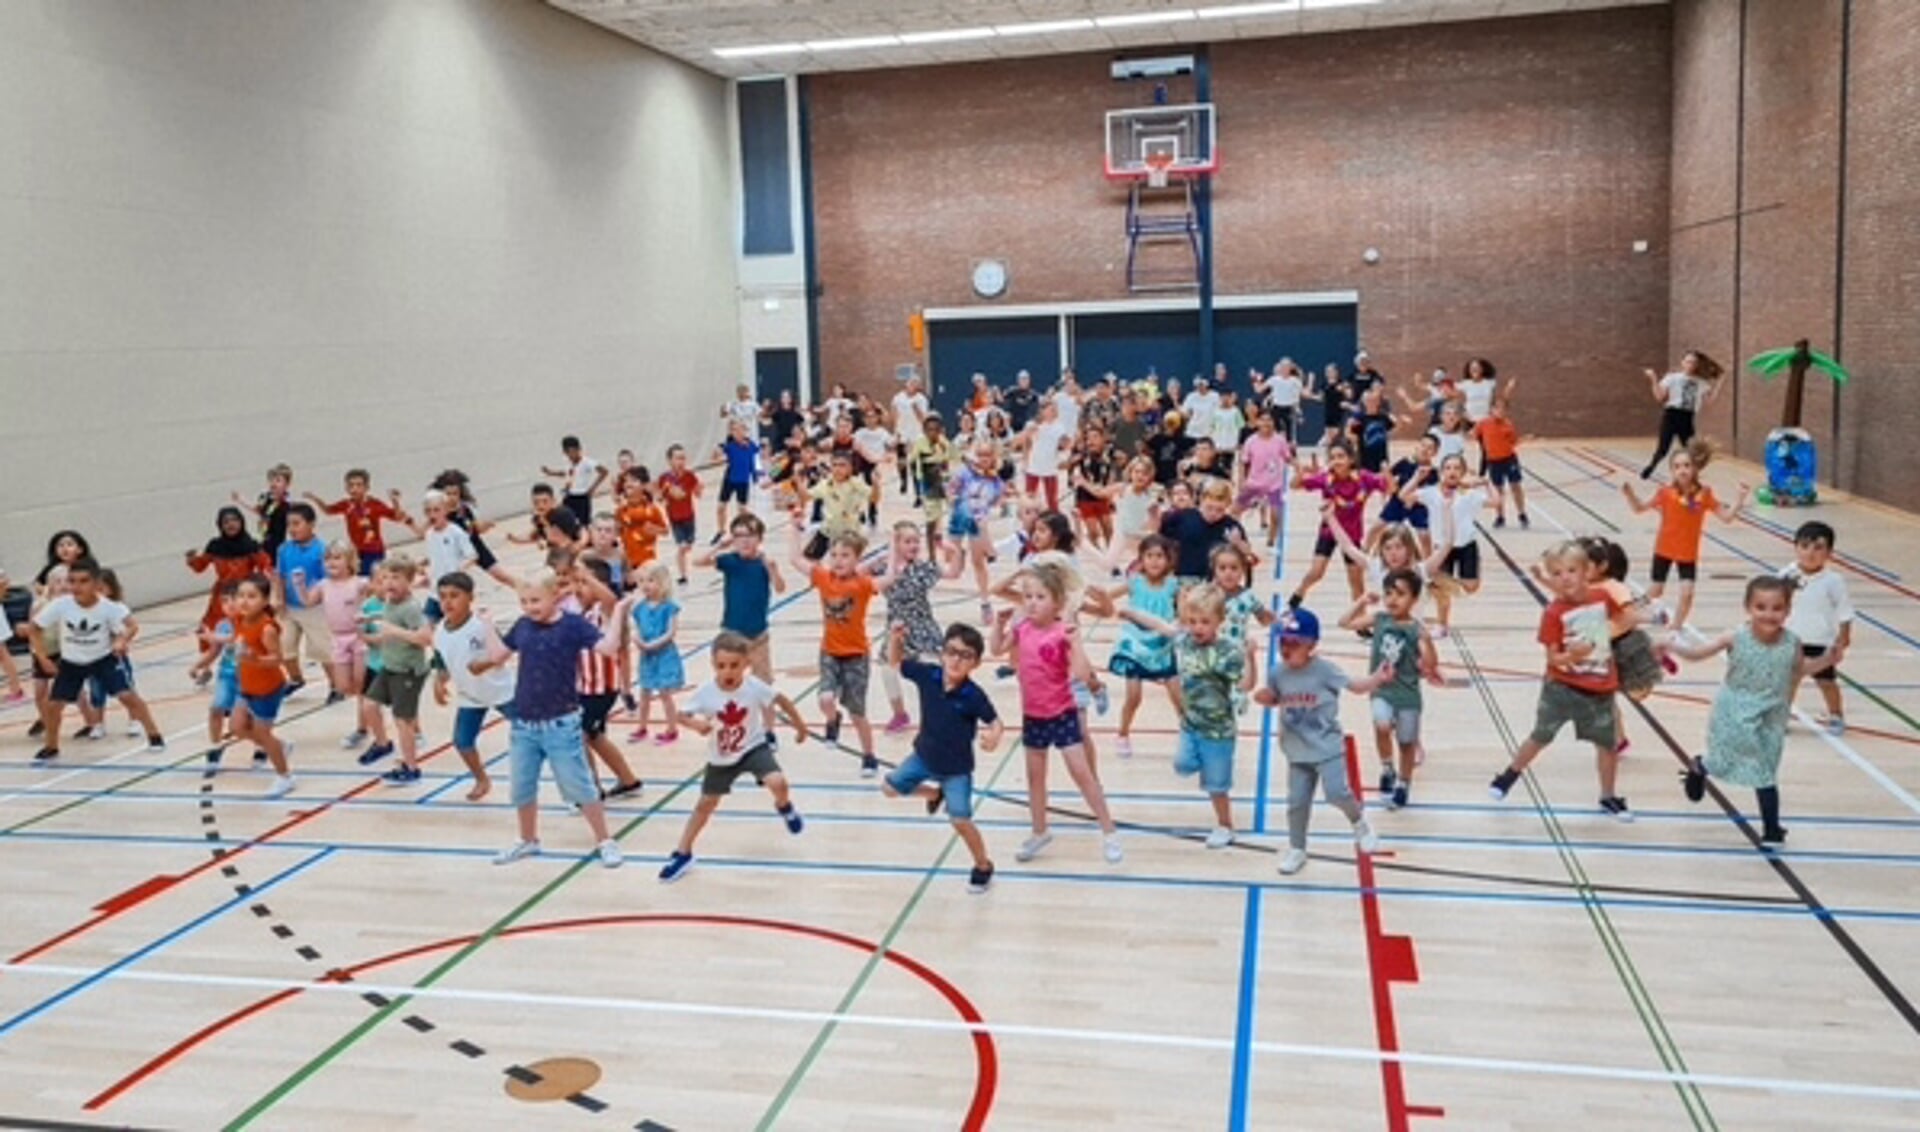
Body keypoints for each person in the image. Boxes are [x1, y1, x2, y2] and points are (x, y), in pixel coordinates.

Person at [1670, 576, 1842, 847]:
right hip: (1734, 709)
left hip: (1772, 713)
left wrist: (1826, 660)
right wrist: (1670, 646)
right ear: (1748, 608)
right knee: (1726, 760)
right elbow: (1697, 654)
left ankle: (1772, 829)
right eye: (1761, 607)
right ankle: (1701, 766)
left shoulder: (1792, 643)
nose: (1769, 614)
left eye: (1777, 608)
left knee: (1765, 770)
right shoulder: (1735, 637)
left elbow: (1798, 671)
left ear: (1787, 610)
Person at [471, 569, 626, 868]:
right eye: (524, 601)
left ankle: (605, 840)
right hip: (524, 724)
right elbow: (498, 655)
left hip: (562, 723)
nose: (530, 607)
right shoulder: (523, 626)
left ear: (555, 595)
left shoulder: (572, 626)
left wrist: (618, 612)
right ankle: (528, 839)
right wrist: (488, 625)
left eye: (536, 600)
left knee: (580, 786)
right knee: (521, 787)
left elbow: (608, 648)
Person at [1488, 542, 1633, 820]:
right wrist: (1570, 656)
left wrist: (1622, 627)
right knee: (1541, 735)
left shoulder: (1602, 597)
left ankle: (1608, 796)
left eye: (1571, 570)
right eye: (1556, 573)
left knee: (1607, 744)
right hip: (1561, 687)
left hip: (1600, 687)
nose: (1564, 578)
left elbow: (1624, 618)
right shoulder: (1554, 613)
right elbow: (1553, 659)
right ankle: (1510, 774)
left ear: (1587, 571)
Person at [991, 559, 1124, 865]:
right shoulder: (1022, 628)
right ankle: (1039, 831)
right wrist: (998, 626)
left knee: (1082, 774)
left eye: (1040, 597)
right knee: (1035, 777)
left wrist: (1076, 642)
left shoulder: (1063, 631)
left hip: (1062, 713)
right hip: (1033, 715)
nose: (1033, 603)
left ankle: (1109, 831)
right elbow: (997, 650)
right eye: (1029, 597)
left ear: (1058, 602)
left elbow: (1079, 672)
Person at [657, 631, 811, 882]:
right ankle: (683, 852)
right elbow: (681, 715)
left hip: (752, 747)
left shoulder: (754, 687)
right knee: (706, 804)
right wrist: (697, 726)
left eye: (734, 666)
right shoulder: (706, 692)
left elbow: (781, 700)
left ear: (746, 664)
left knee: (778, 782)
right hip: (721, 757)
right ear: (713, 665)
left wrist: (800, 726)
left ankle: (784, 806)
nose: (728, 671)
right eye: (721, 666)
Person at [1120, 583, 1258, 848]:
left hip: (1219, 730)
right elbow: (1159, 625)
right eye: (1192, 621)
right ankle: (1207, 765)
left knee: (1216, 787)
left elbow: (1245, 685)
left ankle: (1225, 826)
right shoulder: (1185, 639)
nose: (1197, 627)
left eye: (1205, 622)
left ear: (1219, 620)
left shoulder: (1228, 651)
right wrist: (1130, 613)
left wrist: (1251, 658)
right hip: (1191, 724)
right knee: (1182, 765)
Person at [1255, 607, 1388, 875]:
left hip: (1327, 746)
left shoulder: (1325, 670)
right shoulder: (1277, 673)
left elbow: (1355, 686)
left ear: (1311, 645)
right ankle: (1297, 848)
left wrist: (1377, 679)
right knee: (1296, 803)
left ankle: (1359, 822)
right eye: (1283, 642)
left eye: (1294, 642)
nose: (1286, 648)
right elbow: (1274, 697)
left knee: (1337, 792)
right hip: (1296, 748)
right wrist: (1265, 697)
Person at [882, 621, 1004, 892]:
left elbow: (996, 723)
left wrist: (994, 736)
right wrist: (895, 639)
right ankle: (933, 795)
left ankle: (983, 865)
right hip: (924, 756)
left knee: (960, 820)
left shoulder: (973, 695)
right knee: (889, 787)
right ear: (942, 653)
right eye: (952, 651)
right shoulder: (929, 675)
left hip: (957, 770)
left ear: (976, 663)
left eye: (966, 655)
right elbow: (896, 663)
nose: (956, 660)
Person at [26, 557, 166, 762]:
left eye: (83, 581)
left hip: (103, 659)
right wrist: (42, 657)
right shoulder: (61, 605)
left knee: (128, 696)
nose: (76, 586)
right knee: (54, 705)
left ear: (96, 583)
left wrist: (122, 640)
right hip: (71, 662)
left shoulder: (109, 607)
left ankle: (154, 734)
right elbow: (34, 629)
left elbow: (132, 625)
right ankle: (51, 746)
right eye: (72, 581)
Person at [1340, 570, 1441, 810]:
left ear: (1414, 599)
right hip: (1382, 689)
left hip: (1407, 694)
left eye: (1401, 594)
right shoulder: (1380, 619)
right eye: (1389, 593)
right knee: (1381, 723)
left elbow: (1430, 664)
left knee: (1406, 742)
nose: (1393, 599)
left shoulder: (1416, 629)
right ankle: (1387, 767)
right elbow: (1344, 622)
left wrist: (1427, 642)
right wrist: (1362, 601)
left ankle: (1403, 784)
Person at [1621, 439, 1748, 628]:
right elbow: (1639, 508)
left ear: (1695, 468)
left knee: (1687, 593)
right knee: (1656, 590)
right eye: (1677, 466)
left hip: (1687, 553)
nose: (1682, 470)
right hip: (1664, 549)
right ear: (1672, 470)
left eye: (1687, 465)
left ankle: (1676, 627)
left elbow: (1727, 517)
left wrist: (1739, 498)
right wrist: (1630, 495)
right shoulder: (1665, 493)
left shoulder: (1704, 494)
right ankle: (1631, 609)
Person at [871, 520, 964, 735]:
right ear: (896, 543)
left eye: (916, 541)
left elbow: (953, 572)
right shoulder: (883, 569)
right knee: (887, 670)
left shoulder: (923, 568)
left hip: (922, 626)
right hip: (897, 629)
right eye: (907, 541)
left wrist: (955, 551)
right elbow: (862, 574)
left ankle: (945, 713)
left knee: (935, 673)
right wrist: (889, 551)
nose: (914, 545)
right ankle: (899, 714)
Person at [1098, 534, 1181, 760]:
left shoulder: (1174, 585)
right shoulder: (1135, 582)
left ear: (1168, 559)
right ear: (1141, 559)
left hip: (1162, 646)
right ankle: (1123, 733)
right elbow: (1106, 596)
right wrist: (1103, 603)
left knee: (1179, 697)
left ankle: (1189, 737)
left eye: (1160, 556)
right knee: (1134, 696)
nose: (1154, 561)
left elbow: (1184, 612)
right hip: (1134, 646)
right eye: (1149, 556)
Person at [429, 571, 508, 802]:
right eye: (443, 596)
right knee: (462, 742)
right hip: (470, 695)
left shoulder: (481, 625)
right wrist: (439, 680)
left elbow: (502, 653)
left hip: (500, 690)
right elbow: (440, 658)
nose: (447, 602)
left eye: (454, 596)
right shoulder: (441, 629)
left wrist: (482, 665)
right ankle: (481, 779)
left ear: (470, 597)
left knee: (536, 733)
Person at [224, 574, 298, 797]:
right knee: (237, 727)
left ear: (265, 601)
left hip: (267, 689)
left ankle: (285, 776)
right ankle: (279, 746)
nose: (244, 601)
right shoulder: (239, 620)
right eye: (241, 596)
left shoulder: (267, 629)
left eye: (252, 596)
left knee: (262, 733)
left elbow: (277, 659)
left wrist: (254, 659)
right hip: (245, 685)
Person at [1291, 442, 1389, 608]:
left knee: (1356, 580)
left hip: (1352, 535)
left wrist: (1388, 475)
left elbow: (1388, 487)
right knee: (1316, 572)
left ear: (1351, 459)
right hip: (1329, 532)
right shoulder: (1325, 478)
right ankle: (1297, 596)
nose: (1336, 461)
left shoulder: (1364, 478)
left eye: (1341, 457)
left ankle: (1360, 618)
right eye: (1333, 457)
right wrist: (1300, 473)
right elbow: (1294, 485)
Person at [1780, 520, 1853, 734]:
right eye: (1804, 546)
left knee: (1827, 682)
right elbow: (1773, 603)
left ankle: (1836, 715)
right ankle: (1782, 716)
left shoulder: (1833, 581)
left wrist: (1844, 636)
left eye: (1818, 547)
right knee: (1790, 681)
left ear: (1829, 552)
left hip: (1821, 641)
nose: (1810, 553)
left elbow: (1845, 610)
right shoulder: (1785, 575)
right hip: (1791, 639)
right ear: (1795, 548)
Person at [696, 512, 786, 686]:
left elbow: (780, 588)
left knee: (764, 683)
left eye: (750, 536)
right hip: (732, 632)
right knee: (729, 680)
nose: (744, 541)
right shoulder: (730, 561)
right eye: (738, 536)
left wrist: (773, 570)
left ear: (759, 538)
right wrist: (719, 546)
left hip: (758, 634)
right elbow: (699, 562)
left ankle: (766, 713)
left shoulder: (764, 562)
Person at [1404, 454, 1489, 636]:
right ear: (1441, 472)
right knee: (1441, 589)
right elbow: (1404, 495)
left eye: (1457, 468)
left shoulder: (1469, 495)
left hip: (1466, 544)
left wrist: (1487, 484)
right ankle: (1442, 625)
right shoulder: (1431, 492)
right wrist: (1416, 478)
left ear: (1463, 473)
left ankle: (1441, 582)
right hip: (1442, 547)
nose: (1452, 471)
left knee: (1471, 587)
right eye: (1448, 468)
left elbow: (1496, 502)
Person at [185, 506, 272, 675]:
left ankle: (250, 664)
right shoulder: (215, 546)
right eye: (226, 522)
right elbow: (200, 566)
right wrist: (192, 559)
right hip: (222, 595)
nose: (231, 525)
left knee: (244, 629)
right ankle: (206, 666)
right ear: (220, 525)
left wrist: (264, 587)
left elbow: (265, 565)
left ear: (241, 522)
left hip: (244, 595)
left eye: (234, 520)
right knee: (209, 627)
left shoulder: (251, 545)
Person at [295, 541, 371, 718]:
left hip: (359, 638)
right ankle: (365, 713)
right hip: (338, 639)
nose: (331, 562)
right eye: (327, 559)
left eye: (337, 558)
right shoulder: (323, 585)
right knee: (343, 685)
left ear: (350, 561)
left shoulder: (359, 583)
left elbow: (382, 595)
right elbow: (307, 601)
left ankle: (364, 723)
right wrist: (299, 585)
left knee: (362, 684)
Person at [270, 503, 330, 693]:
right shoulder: (284, 549)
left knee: (323, 652)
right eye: (289, 524)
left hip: (315, 609)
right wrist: (278, 598)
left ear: (311, 524)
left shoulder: (322, 550)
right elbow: (279, 575)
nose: (292, 529)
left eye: (297, 523)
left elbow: (328, 581)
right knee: (285, 648)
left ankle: (336, 686)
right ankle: (296, 679)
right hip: (290, 609)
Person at [303, 470, 408, 577]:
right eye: (351, 485)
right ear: (346, 488)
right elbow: (328, 510)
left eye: (359, 485)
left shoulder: (374, 504)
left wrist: (395, 502)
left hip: (374, 551)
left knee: (372, 580)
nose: (354, 488)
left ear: (367, 487)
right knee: (358, 581)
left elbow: (397, 517)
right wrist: (315, 499)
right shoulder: (346, 505)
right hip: (356, 552)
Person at [1639, 351, 1725, 479]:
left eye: (1694, 362)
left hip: (1687, 417)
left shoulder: (1701, 383)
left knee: (1691, 450)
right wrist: (1653, 379)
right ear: (1682, 363)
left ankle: (1691, 474)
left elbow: (1709, 401)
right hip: (1671, 414)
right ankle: (1652, 466)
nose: (1690, 365)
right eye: (1688, 361)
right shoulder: (1672, 378)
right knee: (1663, 448)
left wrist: (1719, 384)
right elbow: (1659, 397)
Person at [948, 441, 1006, 620]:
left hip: (979, 520)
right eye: (980, 455)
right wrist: (953, 498)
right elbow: (951, 490)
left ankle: (985, 602)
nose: (983, 459)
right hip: (960, 517)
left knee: (978, 563)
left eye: (987, 455)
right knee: (954, 568)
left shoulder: (995, 481)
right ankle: (978, 552)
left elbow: (996, 501)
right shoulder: (965, 473)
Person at [630, 562, 684, 747]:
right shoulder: (639, 608)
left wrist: (653, 644)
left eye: (651, 580)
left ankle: (672, 728)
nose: (646, 585)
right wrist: (638, 641)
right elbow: (635, 629)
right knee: (644, 692)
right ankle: (642, 726)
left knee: (664, 693)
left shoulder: (670, 607)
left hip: (664, 655)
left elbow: (670, 632)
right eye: (642, 581)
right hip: (647, 656)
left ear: (662, 583)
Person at [1159, 479, 1252, 582]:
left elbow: (1248, 553)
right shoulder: (1182, 517)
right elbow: (1160, 542)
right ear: (1201, 500)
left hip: (1216, 581)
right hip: (1185, 577)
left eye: (1219, 510)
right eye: (1209, 508)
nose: (1213, 514)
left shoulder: (1231, 526)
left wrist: (1238, 543)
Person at [1235, 410, 1293, 546]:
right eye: (1263, 419)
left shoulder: (1280, 440)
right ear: (1257, 422)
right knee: (1235, 511)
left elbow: (1288, 457)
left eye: (1269, 420)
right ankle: (1238, 539)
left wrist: (1300, 469)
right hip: (1254, 484)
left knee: (1275, 515)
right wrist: (1241, 481)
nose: (1266, 423)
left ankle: (1271, 541)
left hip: (1274, 486)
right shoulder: (1251, 441)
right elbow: (1243, 463)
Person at [1474, 393, 1530, 528]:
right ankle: (1500, 516)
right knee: (1498, 489)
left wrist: (1524, 439)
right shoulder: (1483, 424)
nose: (1500, 411)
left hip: (1509, 459)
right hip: (1493, 461)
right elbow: (1475, 436)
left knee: (1515, 486)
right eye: (1497, 408)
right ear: (1491, 409)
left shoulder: (1508, 425)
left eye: (1504, 409)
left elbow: (1513, 442)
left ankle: (1522, 514)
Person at [1069, 424, 1119, 551]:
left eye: (1095, 437)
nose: (1091, 441)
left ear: (1103, 438)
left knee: (1108, 528)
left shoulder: (1109, 454)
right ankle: (1099, 554)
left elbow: (1114, 470)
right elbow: (1066, 467)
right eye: (1089, 438)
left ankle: (1110, 554)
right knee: (1093, 531)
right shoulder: (1081, 455)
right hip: (1085, 497)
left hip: (1102, 494)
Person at [1016, 400, 1072, 513]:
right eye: (1050, 409)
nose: (1053, 411)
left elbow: (1064, 445)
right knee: (1030, 497)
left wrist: (1066, 444)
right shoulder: (1032, 424)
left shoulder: (1060, 427)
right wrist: (1025, 460)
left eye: (1054, 409)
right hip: (1033, 466)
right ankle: (1028, 519)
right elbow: (1024, 443)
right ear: (1042, 411)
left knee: (1052, 499)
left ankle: (1055, 522)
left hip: (1050, 467)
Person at [231, 464, 293, 561]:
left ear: (287, 484)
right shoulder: (265, 498)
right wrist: (240, 500)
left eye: (278, 480)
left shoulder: (287, 504)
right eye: (271, 480)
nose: (273, 483)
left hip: (277, 541)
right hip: (263, 537)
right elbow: (257, 510)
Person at [543, 436, 607, 529]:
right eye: (569, 452)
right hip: (569, 495)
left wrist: (593, 488)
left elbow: (604, 472)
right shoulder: (569, 462)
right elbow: (566, 473)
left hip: (581, 496)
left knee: (583, 522)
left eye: (574, 451)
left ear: (579, 449)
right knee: (565, 518)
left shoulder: (587, 462)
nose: (572, 455)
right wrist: (551, 472)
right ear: (565, 453)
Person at [712, 420, 760, 539]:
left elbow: (755, 459)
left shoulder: (751, 445)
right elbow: (716, 456)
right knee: (721, 506)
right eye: (734, 430)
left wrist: (756, 475)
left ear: (744, 431)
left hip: (743, 481)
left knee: (742, 509)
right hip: (729, 479)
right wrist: (717, 451)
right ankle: (721, 530)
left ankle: (750, 526)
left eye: (740, 430)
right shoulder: (729, 446)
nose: (737, 433)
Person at [891, 377, 930, 502]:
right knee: (901, 460)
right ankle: (903, 480)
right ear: (906, 384)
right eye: (911, 383)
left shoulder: (921, 399)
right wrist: (896, 431)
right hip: (902, 432)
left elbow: (924, 419)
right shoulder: (898, 398)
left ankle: (918, 493)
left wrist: (916, 408)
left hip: (916, 434)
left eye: (916, 384)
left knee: (915, 463)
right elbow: (895, 415)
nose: (913, 386)